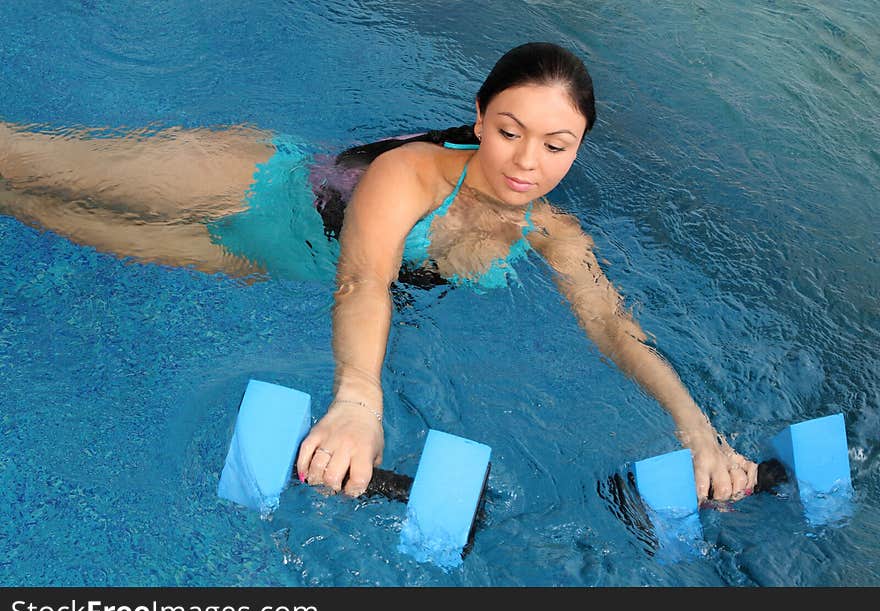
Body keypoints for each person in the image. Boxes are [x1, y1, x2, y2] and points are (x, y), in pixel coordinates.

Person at [0, 42, 757, 504]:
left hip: (259, 260)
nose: (528, 162)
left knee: (31, 210)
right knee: (26, 159)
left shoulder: (553, 235)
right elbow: (364, 282)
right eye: (509, 131)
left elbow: (614, 330)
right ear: (480, 113)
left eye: (557, 144)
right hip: (244, 183)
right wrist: (358, 401)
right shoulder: (412, 173)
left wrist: (697, 430)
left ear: (581, 145)